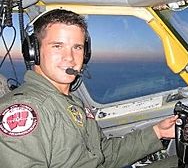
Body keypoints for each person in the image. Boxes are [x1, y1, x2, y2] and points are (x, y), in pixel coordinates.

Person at [0, 9, 177, 168]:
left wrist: (158, 132)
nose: (69, 57)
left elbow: (103, 155)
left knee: (185, 161)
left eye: (77, 47)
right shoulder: (24, 110)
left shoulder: (70, 102)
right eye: (57, 46)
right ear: (33, 51)